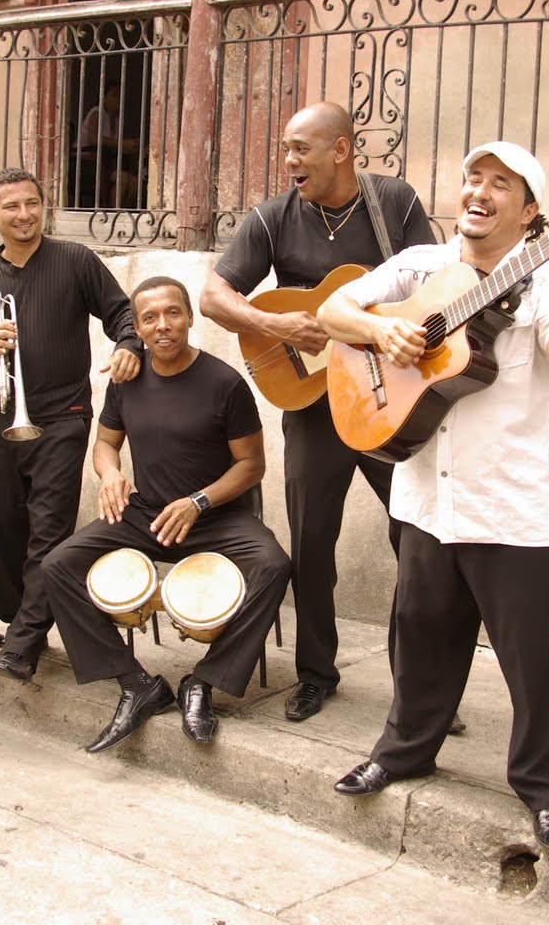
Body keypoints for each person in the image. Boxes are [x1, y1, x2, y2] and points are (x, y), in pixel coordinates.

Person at [318, 140, 549, 852]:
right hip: (426, 496)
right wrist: (383, 328)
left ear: (531, 210)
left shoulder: (544, 280)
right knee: (419, 643)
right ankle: (404, 749)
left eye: (500, 183)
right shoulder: (421, 266)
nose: (479, 190)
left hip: (511, 502)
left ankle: (544, 788)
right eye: (473, 178)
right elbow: (332, 311)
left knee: (530, 662)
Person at [198, 101, 434, 723]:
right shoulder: (273, 218)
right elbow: (213, 296)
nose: (289, 161)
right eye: (285, 147)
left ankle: (420, 686)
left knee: (416, 537)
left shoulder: (395, 206)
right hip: (312, 403)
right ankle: (315, 674)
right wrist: (272, 321)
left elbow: (437, 285)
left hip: (389, 401)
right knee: (311, 543)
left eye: (301, 148)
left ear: (342, 149)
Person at [43, 277, 293, 751]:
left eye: (173, 313)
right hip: (147, 516)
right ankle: (137, 685)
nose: (164, 326)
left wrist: (199, 501)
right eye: (150, 318)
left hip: (214, 516)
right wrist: (110, 473)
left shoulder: (225, 383)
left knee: (275, 564)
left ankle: (203, 681)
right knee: (58, 566)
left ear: (190, 317)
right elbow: (104, 445)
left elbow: (252, 466)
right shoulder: (127, 380)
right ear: (136, 327)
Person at [0, 166, 143, 683]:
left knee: (49, 532)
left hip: (64, 416)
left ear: (44, 206)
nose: (24, 214)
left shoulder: (75, 260)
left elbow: (122, 312)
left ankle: (23, 643)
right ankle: (20, 620)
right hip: (2, 416)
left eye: (31, 203)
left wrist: (128, 345)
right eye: (11, 206)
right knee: (6, 525)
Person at [73, 78, 140, 209]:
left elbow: (115, 145)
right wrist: (123, 144)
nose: (119, 99)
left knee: (134, 182)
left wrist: (135, 146)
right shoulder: (97, 112)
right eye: (114, 95)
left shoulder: (115, 119)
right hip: (84, 164)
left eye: (121, 95)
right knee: (123, 180)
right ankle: (111, 213)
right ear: (103, 98)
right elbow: (94, 139)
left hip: (104, 163)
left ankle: (121, 215)